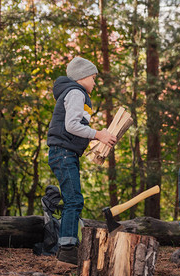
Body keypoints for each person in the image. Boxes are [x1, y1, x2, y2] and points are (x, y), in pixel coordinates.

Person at [47, 57, 117, 264]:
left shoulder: (73, 93)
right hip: (63, 153)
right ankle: (68, 249)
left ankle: (67, 247)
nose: (95, 82)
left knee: (73, 199)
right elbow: (72, 125)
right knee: (74, 200)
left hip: (65, 153)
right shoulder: (76, 92)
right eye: (94, 78)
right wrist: (99, 135)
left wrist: (98, 136)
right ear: (82, 77)